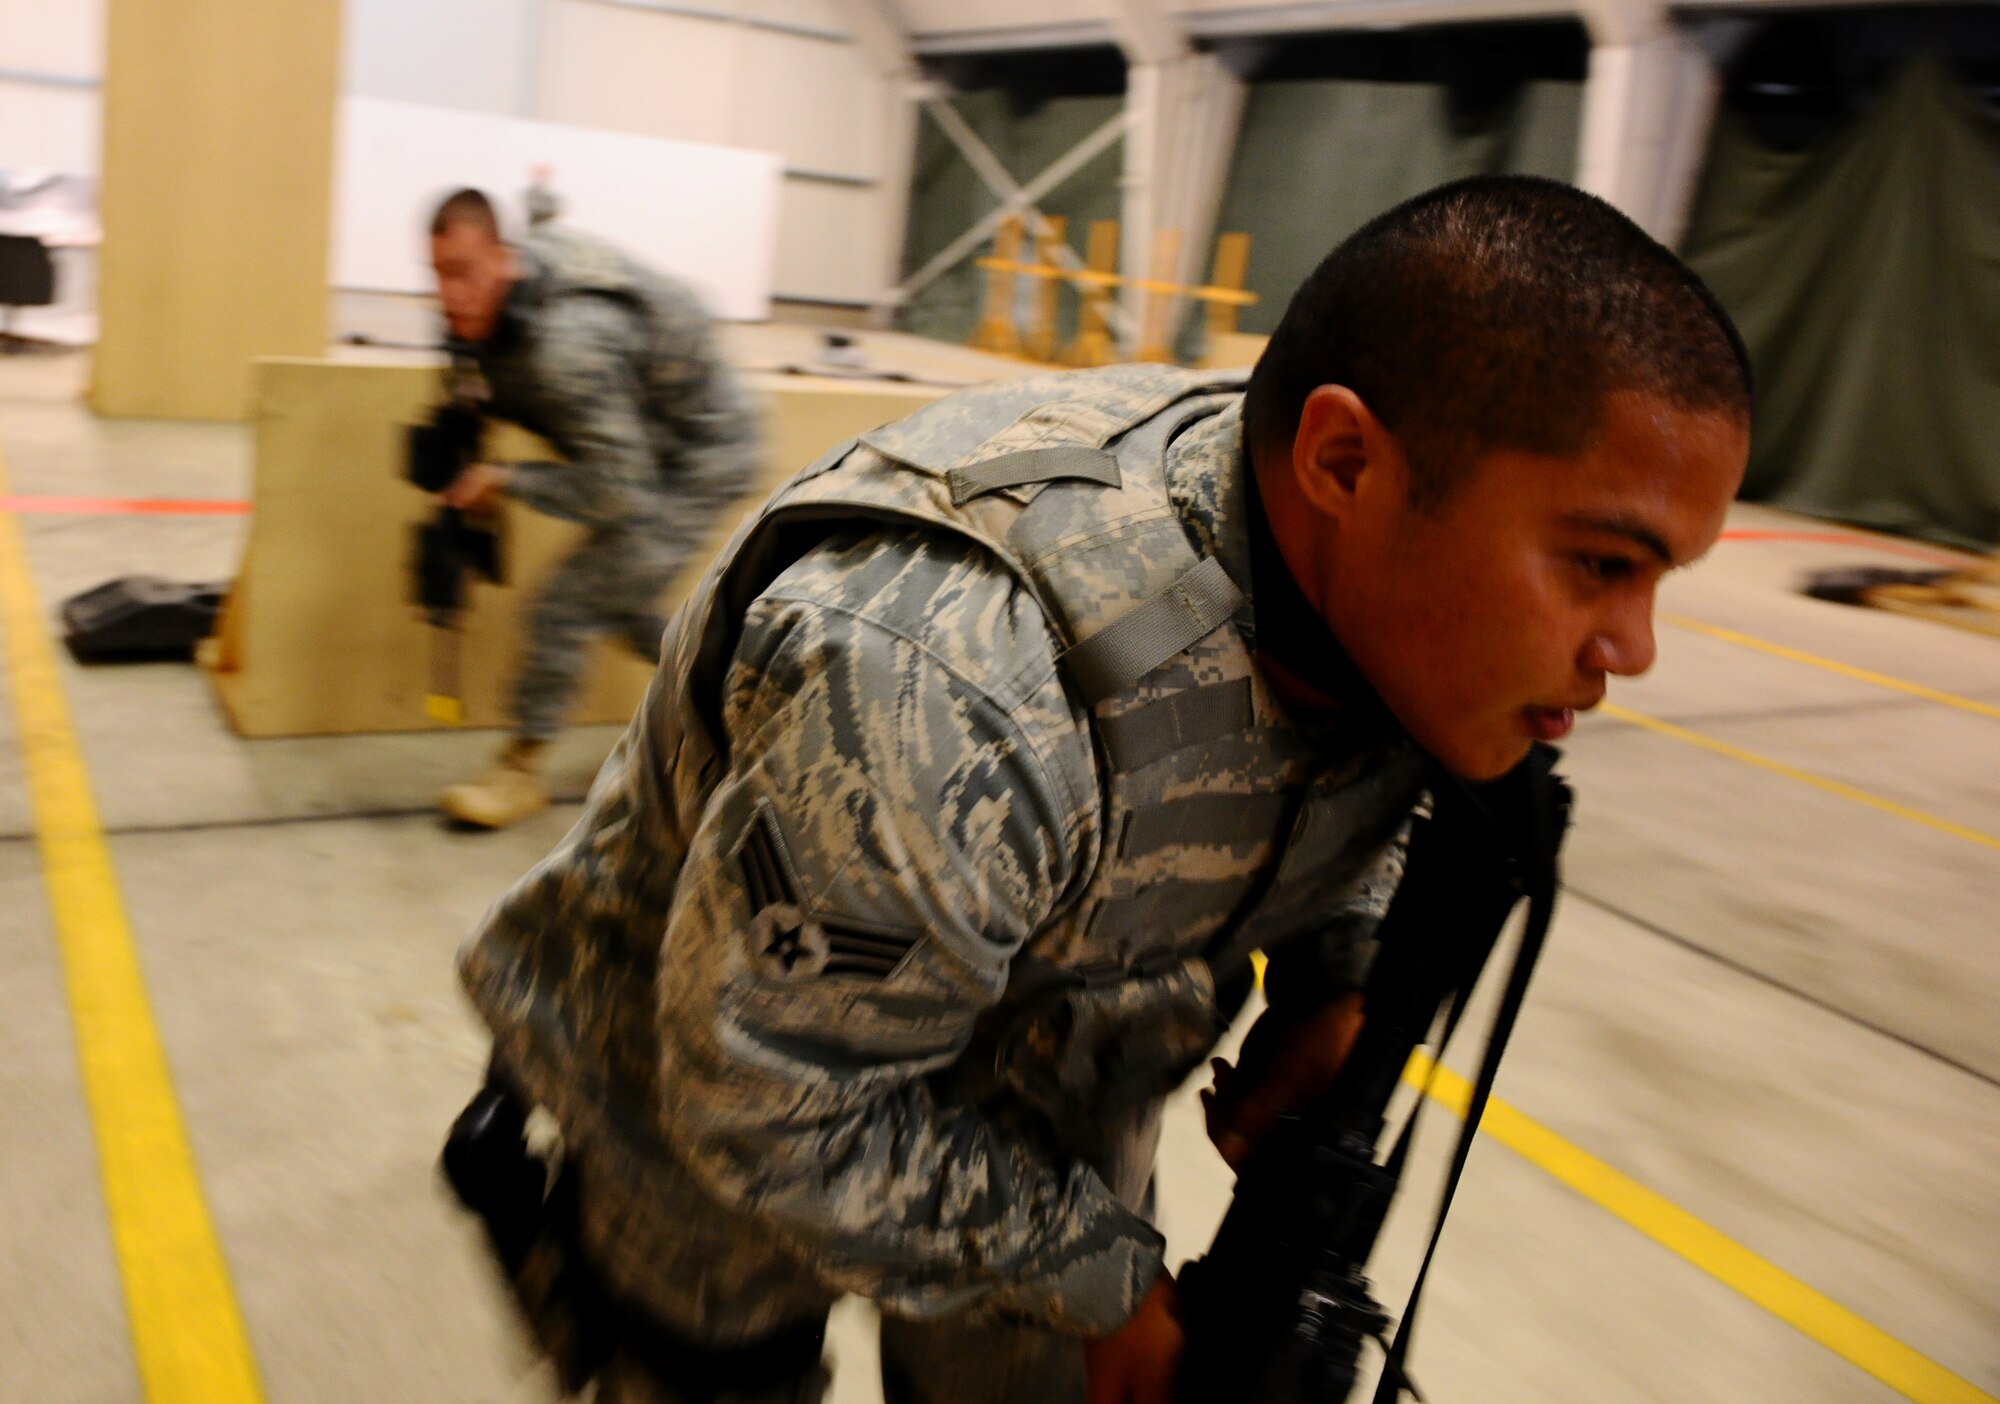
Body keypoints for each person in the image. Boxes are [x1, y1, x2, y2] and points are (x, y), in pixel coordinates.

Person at [452, 176, 1753, 1403]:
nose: (1632, 649)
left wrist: (1337, 974)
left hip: (1045, 1094)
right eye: (1597, 563)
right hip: (720, 1108)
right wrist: (1099, 1275)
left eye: (1660, 579)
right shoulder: (956, 691)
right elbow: (767, 1108)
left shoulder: (1388, 592)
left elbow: (1345, 789)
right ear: (1344, 465)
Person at [426, 187, 759, 828]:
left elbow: (616, 490)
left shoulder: (565, 351)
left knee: (564, 608)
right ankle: (743, 705)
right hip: (651, 441)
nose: (450, 295)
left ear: (502, 260)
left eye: (464, 273)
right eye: (439, 274)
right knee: (620, 599)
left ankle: (520, 772)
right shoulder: (513, 293)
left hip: (698, 457)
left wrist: (506, 478)